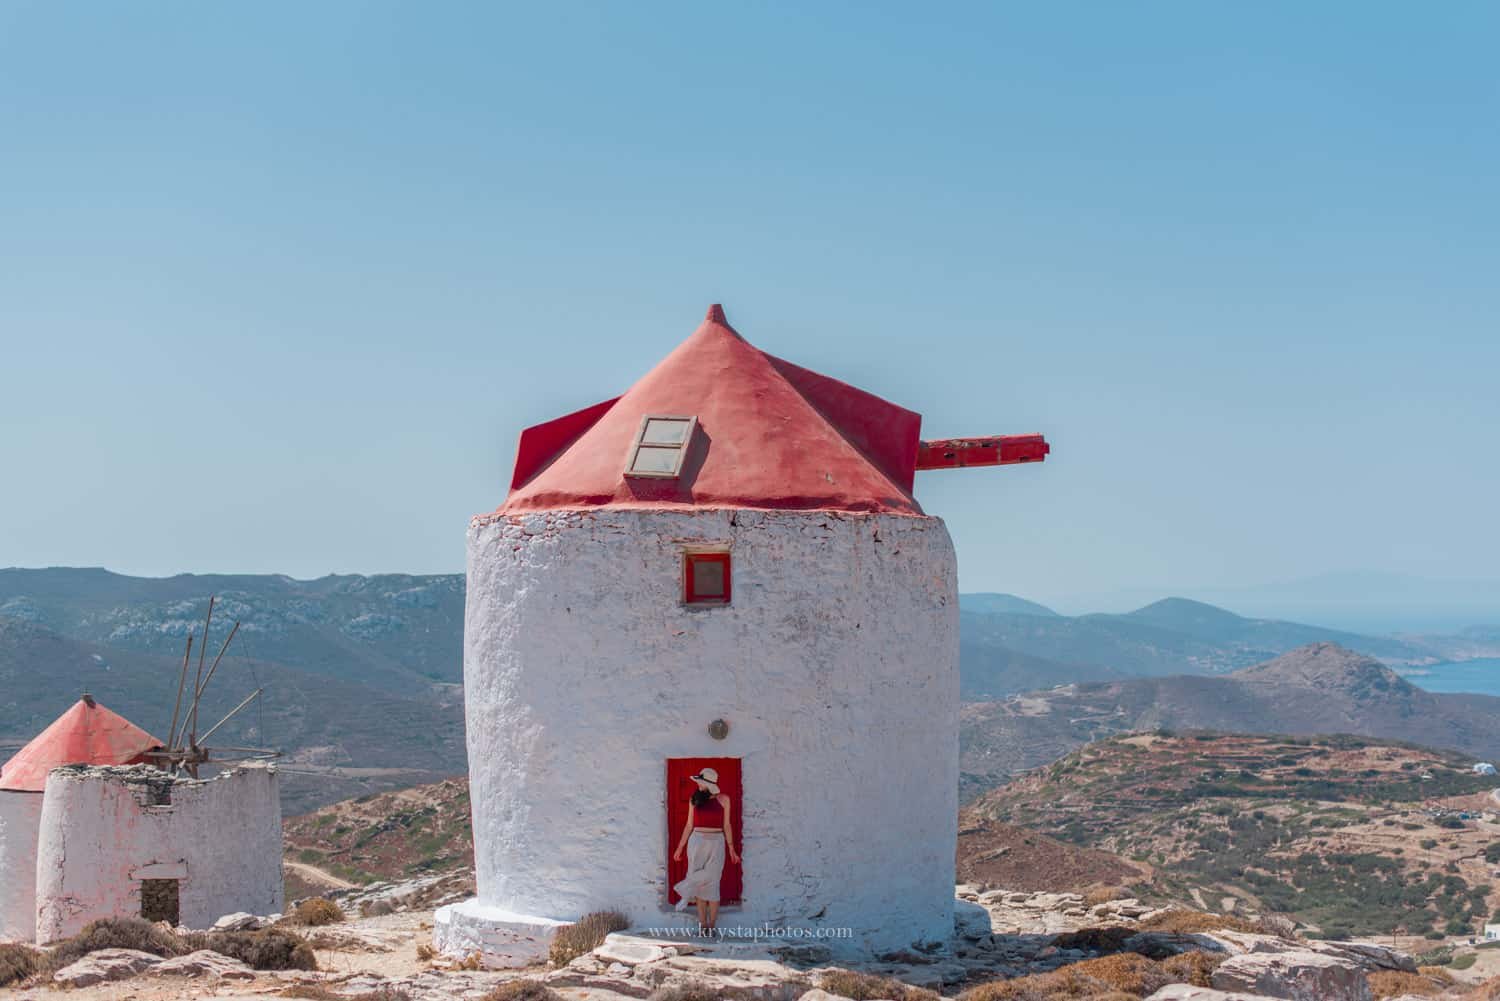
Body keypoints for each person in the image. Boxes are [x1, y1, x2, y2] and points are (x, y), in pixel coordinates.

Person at [671, 767, 739, 933]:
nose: (698, 785)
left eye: (700, 782)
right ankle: (703, 925)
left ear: (707, 784)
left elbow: (727, 825)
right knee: (701, 885)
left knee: (713, 880)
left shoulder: (724, 799)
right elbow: (689, 825)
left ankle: (711, 924)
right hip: (697, 841)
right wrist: (680, 847)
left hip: (717, 841)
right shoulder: (694, 799)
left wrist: (731, 848)